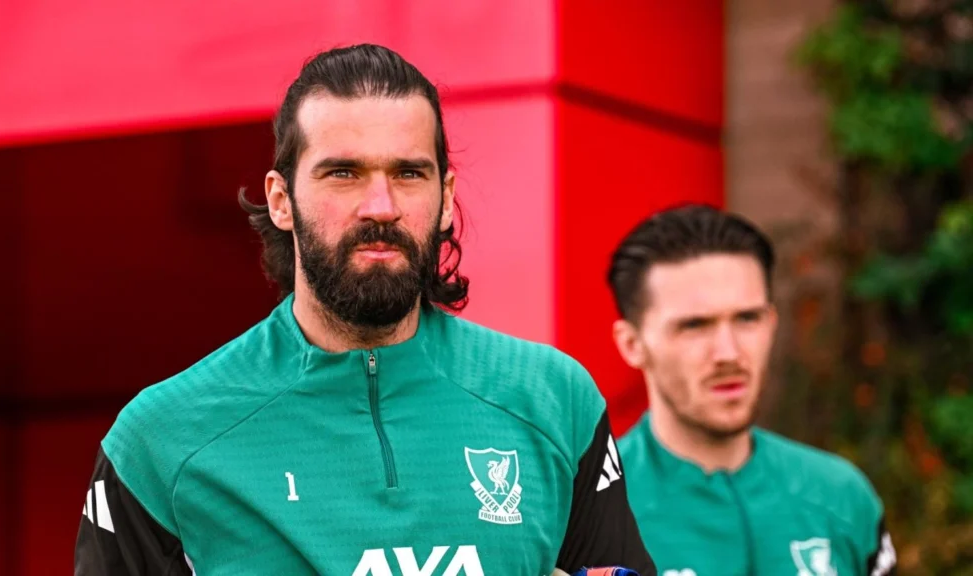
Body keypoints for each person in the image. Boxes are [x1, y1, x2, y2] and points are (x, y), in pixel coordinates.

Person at [74, 44, 656, 576]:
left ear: (446, 198)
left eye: (408, 173)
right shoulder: (162, 439)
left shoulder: (553, 399)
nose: (381, 206)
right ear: (281, 200)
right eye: (343, 173)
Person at [606, 205, 897, 576]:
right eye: (694, 326)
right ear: (632, 344)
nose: (728, 353)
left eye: (747, 318)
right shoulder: (587, 517)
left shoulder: (841, 496)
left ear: (771, 323)